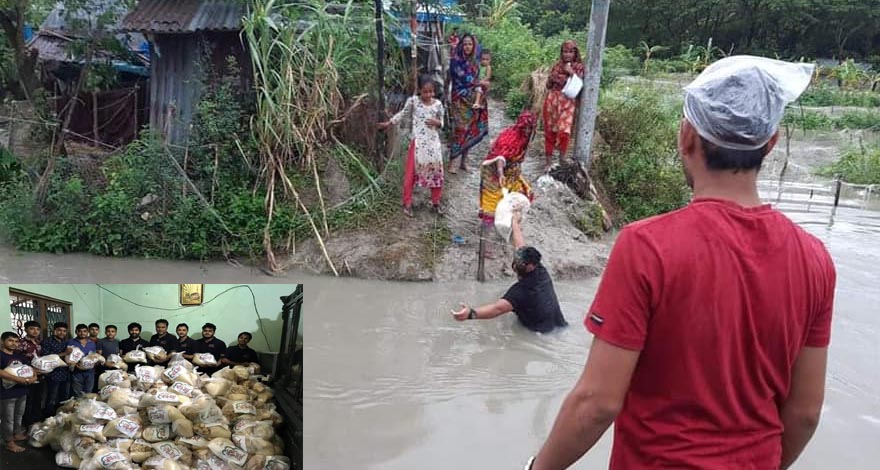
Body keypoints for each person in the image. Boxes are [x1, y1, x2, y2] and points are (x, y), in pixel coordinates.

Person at [524, 57, 833, 470]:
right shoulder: (815, 259)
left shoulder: (646, 246)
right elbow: (805, 412)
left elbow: (597, 402)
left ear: (686, 136)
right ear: (771, 142)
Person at [452, 211, 568, 333]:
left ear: (530, 266)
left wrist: (470, 314)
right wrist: (514, 222)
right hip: (560, 325)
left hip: (541, 335)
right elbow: (519, 244)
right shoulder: (540, 269)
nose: (515, 263)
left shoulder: (521, 291)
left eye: (518, 263)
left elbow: (497, 309)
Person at [379, 74, 446, 216]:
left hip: (433, 145)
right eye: (425, 91)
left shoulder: (438, 105)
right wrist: (389, 122)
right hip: (418, 144)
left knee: (436, 174)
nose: (429, 94)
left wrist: (438, 123)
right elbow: (403, 114)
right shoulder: (413, 102)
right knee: (410, 174)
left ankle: (435, 202)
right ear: (419, 90)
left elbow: (442, 122)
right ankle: (407, 203)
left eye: (431, 91)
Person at [478, 110, 537, 247]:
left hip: (511, 174)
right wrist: (500, 173)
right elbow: (500, 157)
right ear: (520, 126)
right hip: (494, 174)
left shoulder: (525, 139)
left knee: (519, 198)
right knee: (491, 207)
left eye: (530, 128)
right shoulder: (511, 138)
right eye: (525, 128)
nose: (527, 131)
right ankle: (485, 244)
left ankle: (507, 229)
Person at [446, 33, 488, 173]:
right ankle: (453, 161)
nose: (467, 47)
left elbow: (477, 80)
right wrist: (479, 83)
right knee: (460, 130)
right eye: (465, 44)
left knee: (470, 129)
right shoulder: (455, 61)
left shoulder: (475, 62)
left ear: (474, 46)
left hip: (472, 100)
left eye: (470, 44)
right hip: (459, 99)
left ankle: (464, 162)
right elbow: (463, 78)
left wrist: (480, 89)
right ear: (461, 45)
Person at [542, 39, 585, 171]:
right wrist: (557, 77)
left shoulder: (579, 67)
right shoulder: (556, 65)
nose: (567, 54)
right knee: (550, 131)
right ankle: (548, 161)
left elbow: (579, 82)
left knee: (564, 131)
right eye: (565, 51)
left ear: (575, 53)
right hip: (552, 100)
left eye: (571, 52)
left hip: (568, 101)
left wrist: (570, 72)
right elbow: (549, 83)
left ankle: (562, 159)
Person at [0, 332, 38, 453]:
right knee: (8, 418)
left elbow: (29, 367)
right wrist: (19, 379)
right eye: (10, 341)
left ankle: (17, 434)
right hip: (6, 393)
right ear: (2, 341)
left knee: (18, 415)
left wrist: (34, 377)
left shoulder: (19, 355)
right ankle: (9, 442)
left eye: (16, 341)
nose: (14, 344)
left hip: (21, 391)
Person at [40, 322, 73, 416]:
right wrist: (65, 353)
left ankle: (61, 415)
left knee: (64, 397)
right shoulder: (47, 341)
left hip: (65, 373)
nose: (62, 333)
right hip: (53, 374)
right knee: (51, 397)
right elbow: (46, 357)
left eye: (64, 331)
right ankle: (48, 417)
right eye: (59, 330)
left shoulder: (65, 342)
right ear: (54, 331)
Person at [16, 320, 43, 427]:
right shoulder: (21, 343)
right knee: (27, 401)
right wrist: (31, 368)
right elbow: (17, 360)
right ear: (26, 329)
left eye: (37, 329)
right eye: (32, 328)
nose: (35, 331)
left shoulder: (39, 343)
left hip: (40, 376)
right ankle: (27, 423)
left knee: (38, 399)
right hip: (27, 376)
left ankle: (37, 421)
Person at [68, 324, 97, 396]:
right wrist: (73, 364)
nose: (82, 333)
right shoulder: (71, 342)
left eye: (84, 331)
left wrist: (94, 362)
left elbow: (94, 356)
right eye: (79, 331)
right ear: (76, 332)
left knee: (88, 392)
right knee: (77, 392)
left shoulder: (92, 343)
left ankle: (86, 407)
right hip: (77, 372)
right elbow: (67, 356)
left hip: (90, 372)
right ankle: (78, 406)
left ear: (87, 332)